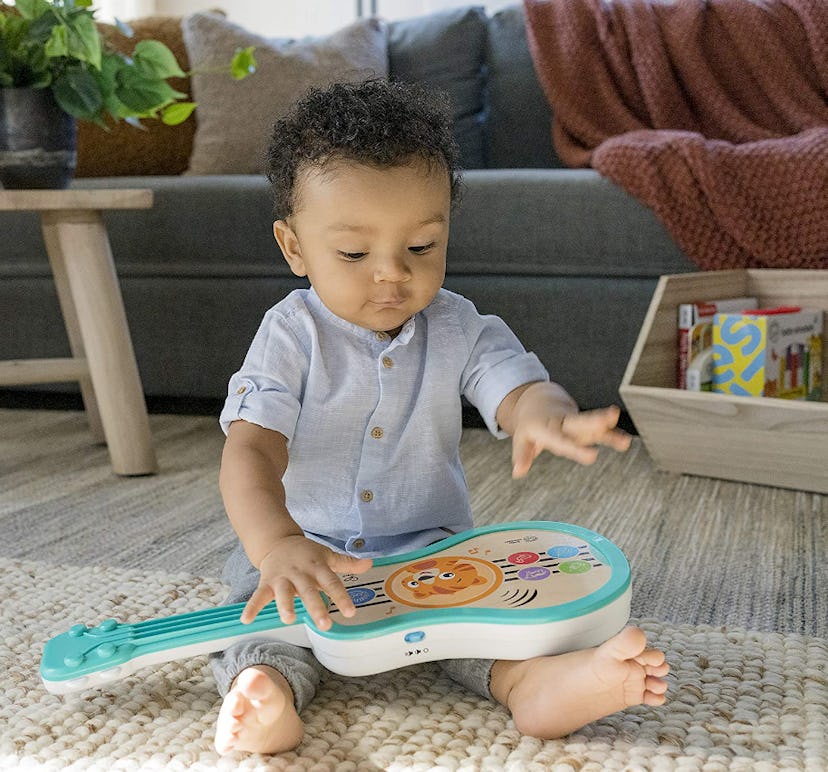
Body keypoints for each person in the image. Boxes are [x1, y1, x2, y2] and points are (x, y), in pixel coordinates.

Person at [212, 79, 669, 755]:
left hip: (433, 554)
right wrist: (277, 544)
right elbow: (251, 452)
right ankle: (267, 692)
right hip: (304, 548)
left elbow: (514, 386)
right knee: (256, 615)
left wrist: (547, 415)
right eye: (354, 254)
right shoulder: (289, 335)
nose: (391, 275)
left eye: (421, 247)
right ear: (295, 248)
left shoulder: (457, 325)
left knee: (484, 619)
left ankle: (532, 685)